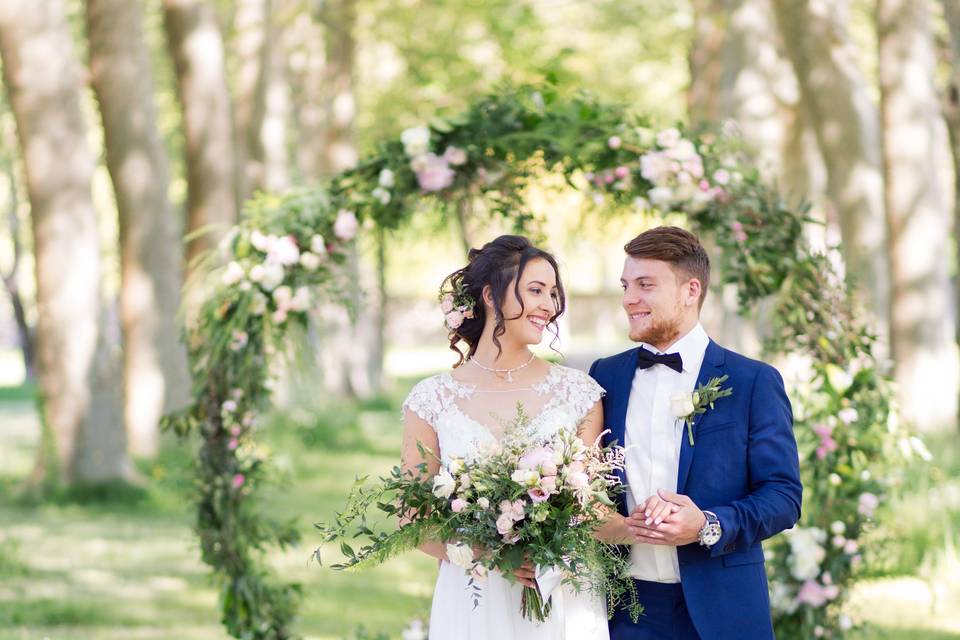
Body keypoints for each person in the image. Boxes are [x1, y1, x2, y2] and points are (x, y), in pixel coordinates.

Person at [589, 226, 802, 640]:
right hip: (626, 607)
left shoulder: (752, 381)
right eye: (626, 285)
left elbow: (783, 496)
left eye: (645, 285)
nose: (629, 298)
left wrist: (706, 524)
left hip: (724, 608)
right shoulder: (605, 375)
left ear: (691, 290)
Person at [400, 234, 611, 639]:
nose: (549, 306)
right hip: (474, 595)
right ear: (491, 296)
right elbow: (413, 519)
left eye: (552, 293)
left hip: (561, 591)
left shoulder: (579, 393)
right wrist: (486, 554)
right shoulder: (431, 399)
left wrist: (639, 526)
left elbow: (589, 509)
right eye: (535, 290)